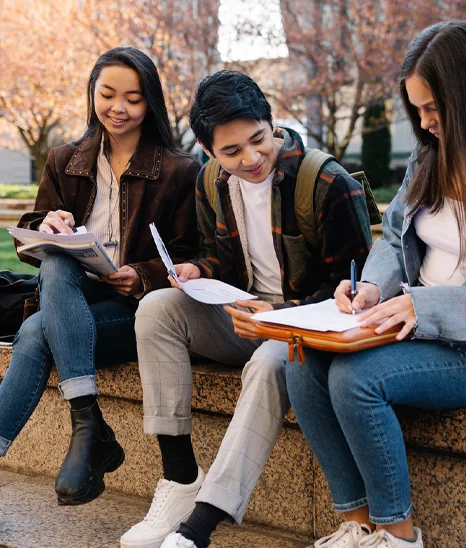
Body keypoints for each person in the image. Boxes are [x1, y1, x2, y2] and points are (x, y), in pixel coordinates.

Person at [285, 20, 466, 548]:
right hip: (416, 324)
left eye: (433, 109)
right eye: (417, 110)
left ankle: (397, 534)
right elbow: (396, 237)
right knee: (301, 362)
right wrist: (374, 289)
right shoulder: (433, 154)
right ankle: (357, 525)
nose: (425, 125)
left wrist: (422, 308)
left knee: (355, 380)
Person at [120, 70, 373, 548]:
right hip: (244, 315)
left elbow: (354, 291)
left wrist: (278, 318)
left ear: (270, 122)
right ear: (210, 151)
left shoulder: (327, 183)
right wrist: (199, 270)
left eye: (258, 141)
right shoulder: (213, 181)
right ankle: (178, 478)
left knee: (266, 363)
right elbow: (222, 256)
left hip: (304, 332)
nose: (251, 159)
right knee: (156, 307)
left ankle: (200, 525)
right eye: (231, 152)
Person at [0, 47, 200, 506]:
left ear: (150, 102)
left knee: (34, 331)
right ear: (92, 94)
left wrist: (144, 276)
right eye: (107, 94)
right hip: (73, 298)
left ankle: (91, 432)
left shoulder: (179, 170)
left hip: (138, 315)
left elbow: (195, 255)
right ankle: (88, 423)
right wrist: (44, 226)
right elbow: (29, 237)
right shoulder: (65, 159)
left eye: (133, 98)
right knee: (56, 258)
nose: (118, 107)